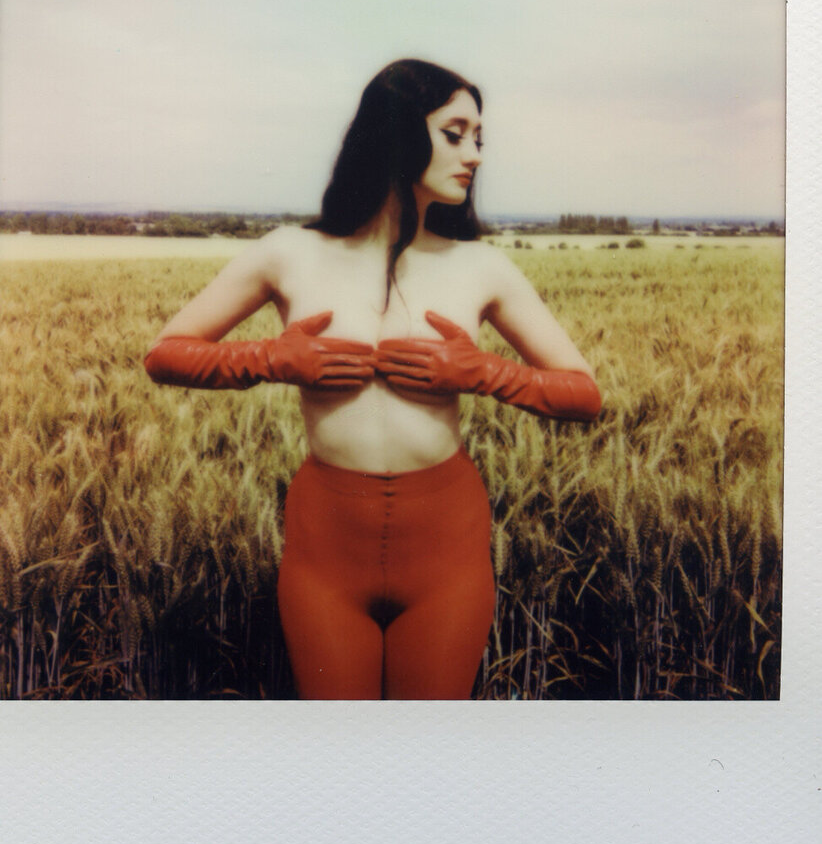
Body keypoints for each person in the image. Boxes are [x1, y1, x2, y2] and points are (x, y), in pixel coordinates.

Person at [144, 59, 601, 700]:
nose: (474, 154)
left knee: (425, 746)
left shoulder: (482, 266)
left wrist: (486, 373)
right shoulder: (289, 252)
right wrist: (268, 359)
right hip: (325, 548)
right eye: (455, 134)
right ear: (397, 131)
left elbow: (585, 394)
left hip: (446, 549)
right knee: (340, 745)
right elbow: (165, 353)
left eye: (479, 138)